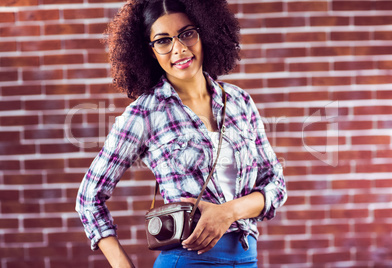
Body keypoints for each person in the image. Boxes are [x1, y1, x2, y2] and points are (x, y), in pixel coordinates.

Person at [75, 0, 287, 267]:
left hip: (246, 259)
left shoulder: (239, 101)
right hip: (187, 259)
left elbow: (275, 184)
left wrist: (228, 212)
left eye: (187, 33)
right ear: (150, 52)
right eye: (163, 41)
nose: (179, 48)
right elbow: (88, 198)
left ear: (205, 32)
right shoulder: (145, 113)